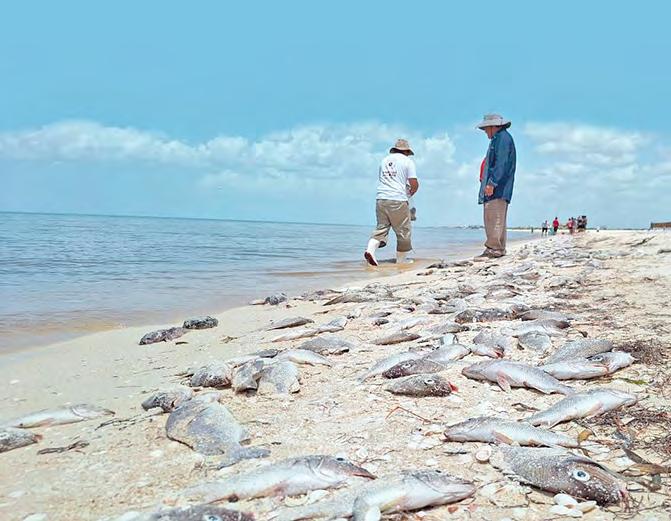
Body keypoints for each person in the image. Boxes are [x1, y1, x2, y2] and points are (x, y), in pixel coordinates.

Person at [364, 138, 419, 266]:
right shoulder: (408, 162)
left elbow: (384, 180)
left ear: (394, 150)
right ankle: (401, 261)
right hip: (398, 199)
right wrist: (411, 192)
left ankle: (370, 251)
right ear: (407, 151)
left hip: (381, 199)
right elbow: (413, 183)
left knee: (381, 228)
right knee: (403, 231)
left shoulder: (384, 160)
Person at [475, 114, 516, 258]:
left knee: (494, 217)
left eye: (486, 129)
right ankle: (498, 248)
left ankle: (494, 249)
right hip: (499, 188)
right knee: (497, 218)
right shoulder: (499, 138)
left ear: (494, 126)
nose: (485, 132)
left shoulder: (502, 138)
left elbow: (501, 163)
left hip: (498, 189)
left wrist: (492, 183)